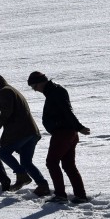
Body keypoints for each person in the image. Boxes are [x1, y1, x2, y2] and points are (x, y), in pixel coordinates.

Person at [27, 71, 89, 203]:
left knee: (52, 162)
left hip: (63, 133)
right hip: (67, 132)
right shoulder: (53, 91)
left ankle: (60, 194)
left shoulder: (55, 92)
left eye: (34, 86)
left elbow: (67, 111)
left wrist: (79, 127)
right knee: (68, 165)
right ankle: (80, 195)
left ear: (41, 82)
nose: (35, 90)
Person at [0, 72, 48, 194]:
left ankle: (21, 175)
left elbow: (7, 112)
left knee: (3, 153)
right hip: (31, 131)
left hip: (21, 131)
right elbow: (12, 112)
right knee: (26, 162)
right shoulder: (10, 89)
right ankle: (43, 185)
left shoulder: (4, 91)